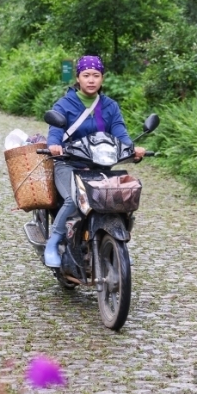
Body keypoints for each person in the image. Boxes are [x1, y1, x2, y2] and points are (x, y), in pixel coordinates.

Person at [44, 55, 146, 268]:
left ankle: (117, 244)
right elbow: (55, 130)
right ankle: (53, 243)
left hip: (101, 165)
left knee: (120, 198)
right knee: (74, 200)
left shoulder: (110, 106)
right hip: (69, 164)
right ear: (78, 78)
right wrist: (54, 145)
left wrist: (131, 148)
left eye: (96, 75)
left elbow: (119, 131)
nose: (91, 80)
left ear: (102, 78)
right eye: (86, 75)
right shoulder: (64, 104)